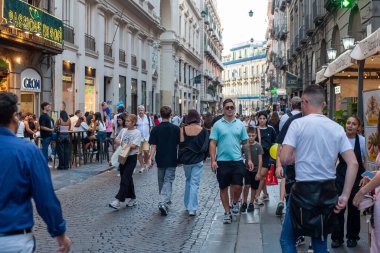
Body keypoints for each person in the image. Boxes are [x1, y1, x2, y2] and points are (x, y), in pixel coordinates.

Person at [279, 85, 358, 253]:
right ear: (323, 104)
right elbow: (353, 163)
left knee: (287, 239)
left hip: (303, 190)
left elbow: (285, 158)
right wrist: (344, 196)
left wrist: (295, 156)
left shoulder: (297, 124)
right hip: (328, 190)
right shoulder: (336, 128)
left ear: (305, 102)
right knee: (320, 242)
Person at [0, 92, 71, 253]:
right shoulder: (27, 151)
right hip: (13, 239)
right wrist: (59, 233)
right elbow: (45, 197)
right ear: (14, 117)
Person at [209, 98, 253, 224]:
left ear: (234, 109)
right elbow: (212, 143)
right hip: (222, 161)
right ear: (223, 109)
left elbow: (245, 143)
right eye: (227, 107)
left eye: (231, 107)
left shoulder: (240, 124)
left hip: (237, 160)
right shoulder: (217, 125)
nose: (229, 109)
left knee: (238, 186)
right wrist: (213, 160)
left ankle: (235, 202)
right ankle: (227, 212)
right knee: (223, 188)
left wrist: (249, 159)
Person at [330, 116, 366, 248]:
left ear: (358, 128)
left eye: (354, 124)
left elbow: (368, 163)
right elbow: (332, 159)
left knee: (354, 208)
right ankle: (337, 238)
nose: (350, 126)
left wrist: (366, 177)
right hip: (340, 177)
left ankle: (352, 237)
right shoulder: (339, 139)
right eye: (348, 123)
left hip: (357, 179)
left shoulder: (362, 141)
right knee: (338, 207)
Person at [147, 106, 180, 216]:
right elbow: (179, 145)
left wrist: (150, 158)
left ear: (160, 115)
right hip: (171, 158)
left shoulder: (156, 129)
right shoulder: (176, 129)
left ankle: (164, 201)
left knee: (161, 181)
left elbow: (153, 146)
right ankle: (163, 202)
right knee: (168, 180)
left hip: (160, 158)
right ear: (170, 115)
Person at [178, 109, 209, 216]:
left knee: (188, 180)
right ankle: (192, 208)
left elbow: (181, 145)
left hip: (186, 159)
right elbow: (206, 146)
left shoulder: (182, 129)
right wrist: (204, 157)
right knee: (194, 183)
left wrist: (179, 159)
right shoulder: (204, 130)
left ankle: (187, 205)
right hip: (198, 159)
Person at [275, 96, 302, 218]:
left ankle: (282, 200)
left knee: (286, 179)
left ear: (291, 105)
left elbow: (281, 141)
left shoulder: (286, 118)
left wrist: (278, 164)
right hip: (302, 162)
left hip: (288, 157)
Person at [109, 114, 141, 209]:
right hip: (122, 157)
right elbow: (116, 139)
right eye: (126, 121)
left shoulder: (137, 133)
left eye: (128, 121)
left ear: (134, 122)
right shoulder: (123, 130)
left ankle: (118, 200)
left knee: (125, 178)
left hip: (131, 158)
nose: (126, 122)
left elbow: (134, 146)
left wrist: (122, 143)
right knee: (126, 177)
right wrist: (119, 141)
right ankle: (133, 198)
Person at [255, 111, 277, 205]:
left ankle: (257, 196)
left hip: (267, 155)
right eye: (260, 118)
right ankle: (266, 193)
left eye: (264, 118)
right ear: (258, 119)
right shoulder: (255, 130)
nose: (262, 120)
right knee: (262, 176)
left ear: (266, 119)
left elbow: (275, 142)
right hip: (257, 155)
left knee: (262, 174)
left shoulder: (270, 129)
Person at [240, 127, 263, 213]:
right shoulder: (245, 146)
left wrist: (259, 172)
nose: (251, 137)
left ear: (256, 136)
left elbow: (260, 160)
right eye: (249, 136)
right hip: (247, 169)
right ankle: (244, 202)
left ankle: (251, 203)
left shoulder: (258, 146)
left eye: (253, 136)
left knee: (254, 188)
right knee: (246, 186)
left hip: (256, 170)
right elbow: (241, 155)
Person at [136, 105, 152, 173]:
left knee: (146, 151)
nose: (140, 111)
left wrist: (150, 135)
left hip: (146, 138)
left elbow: (150, 126)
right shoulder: (136, 118)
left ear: (144, 111)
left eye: (142, 110)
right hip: (138, 138)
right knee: (139, 153)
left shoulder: (147, 118)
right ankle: (142, 166)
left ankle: (146, 162)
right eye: (139, 110)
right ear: (138, 111)